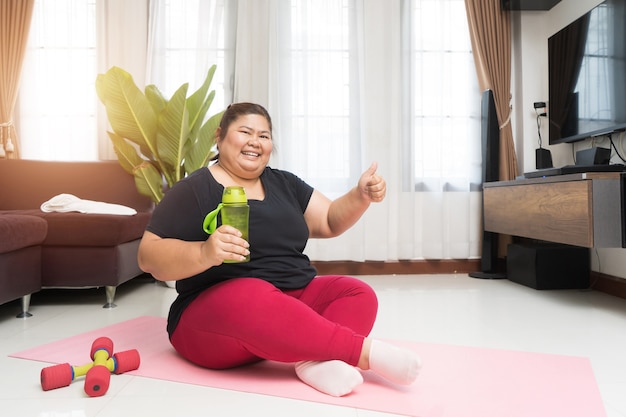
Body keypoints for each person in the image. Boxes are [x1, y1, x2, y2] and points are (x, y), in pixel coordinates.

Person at [137, 102, 421, 397]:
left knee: (357, 293)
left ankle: (311, 359)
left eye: (264, 135)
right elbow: (148, 255)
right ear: (219, 137)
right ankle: (364, 354)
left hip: (291, 304)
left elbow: (328, 220)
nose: (255, 142)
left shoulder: (284, 183)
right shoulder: (195, 188)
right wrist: (205, 253)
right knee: (251, 293)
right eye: (245, 132)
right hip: (215, 317)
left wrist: (359, 195)